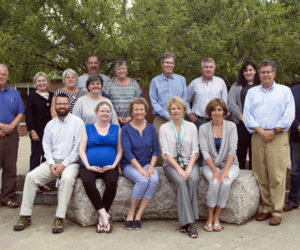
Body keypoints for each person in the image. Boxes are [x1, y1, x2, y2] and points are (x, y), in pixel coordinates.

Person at [14, 94, 84, 233]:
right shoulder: (50, 125)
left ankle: (59, 217)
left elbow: (77, 147)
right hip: (52, 163)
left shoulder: (78, 122)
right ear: (55, 106)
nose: (62, 106)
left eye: (65, 103)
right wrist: (51, 164)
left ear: (69, 105)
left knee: (67, 178)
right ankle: (25, 215)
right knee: (31, 177)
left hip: (71, 163)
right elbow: (46, 146)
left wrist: (63, 165)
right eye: (59, 104)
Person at [243, 60, 295, 226]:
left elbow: (289, 115)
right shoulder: (252, 93)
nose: (265, 75)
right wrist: (260, 131)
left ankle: (277, 210)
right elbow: (247, 115)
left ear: (274, 73)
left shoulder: (284, 91)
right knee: (260, 174)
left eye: (268, 72)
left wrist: (274, 131)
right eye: (263, 72)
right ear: (259, 74)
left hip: (277, 136)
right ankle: (265, 208)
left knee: (277, 175)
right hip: (258, 136)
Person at [79, 101, 122, 233]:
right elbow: (81, 149)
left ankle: (102, 217)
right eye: (102, 111)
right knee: (87, 181)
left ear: (110, 114)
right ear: (96, 113)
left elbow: (120, 150)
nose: (105, 113)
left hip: (110, 166)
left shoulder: (117, 128)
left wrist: (113, 165)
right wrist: (88, 165)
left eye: (107, 111)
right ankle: (104, 215)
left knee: (112, 182)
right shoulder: (87, 128)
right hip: (89, 166)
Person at [159, 97, 199, 239]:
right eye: (173, 108)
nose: (176, 111)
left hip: (189, 162)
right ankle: (191, 222)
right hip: (171, 164)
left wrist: (188, 169)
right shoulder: (164, 128)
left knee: (193, 179)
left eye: (178, 108)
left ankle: (185, 221)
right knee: (181, 181)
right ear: (170, 111)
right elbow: (165, 153)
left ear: (183, 110)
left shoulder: (191, 127)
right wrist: (179, 169)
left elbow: (195, 150)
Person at [199, 98, 240, 232]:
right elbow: (204, 151)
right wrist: (215, 171)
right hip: (210, 164)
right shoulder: (204, 128)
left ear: (224, 112)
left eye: (219, 110)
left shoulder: (232, 126)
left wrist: (225, 171)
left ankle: (217, 216)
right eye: (213, 110)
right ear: (209, 112)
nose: (216, 113)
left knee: (226, 182)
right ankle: (210, 217)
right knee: (215, 182)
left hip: (230, 164)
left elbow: (233, 149)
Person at [122, 98, 159, 230]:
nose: (138, 112)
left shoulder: (150, 128)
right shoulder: (126, 129)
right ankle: (131, 213)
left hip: (147, 163)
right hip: (130, 165)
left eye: (141, 109)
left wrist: (151, 166)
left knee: (154, 179)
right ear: (131, 112)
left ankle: (139, 215)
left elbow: (155, 150)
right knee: (143, 180)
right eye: (136, 109)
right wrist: (140, 170)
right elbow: (127, 153)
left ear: (145, 111)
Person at [150, 52, 187, 165]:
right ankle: (161, 168)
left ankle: (178, 166)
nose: (169, 65)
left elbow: (184, 99)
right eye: (167, 62)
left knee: (179, 142)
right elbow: (153, 101)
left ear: (174, 65)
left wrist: (176, 114)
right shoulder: (155, 81)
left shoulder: (181, 80)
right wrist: (167, 115)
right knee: (159, 143)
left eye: (171, 63)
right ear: (162, 64)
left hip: (178, 117)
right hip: (160, 118)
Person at [0, 64, 24, 208]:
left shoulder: (14, 93)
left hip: (11, 135)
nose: (1, 76)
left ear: (7, 76)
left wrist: (11, 127)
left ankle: (7, 197)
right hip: (3, 129)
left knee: (10, 167)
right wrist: (2, 127)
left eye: (3, 74)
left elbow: (20, 112)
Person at [25, 72, 54, 193]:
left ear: (47, 82)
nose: (41, 83)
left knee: (47, 158)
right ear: (35, 83)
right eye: (39, 81)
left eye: (44, 80)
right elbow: (29, 115)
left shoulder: (53, 95)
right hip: (37, 132)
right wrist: (32, 131)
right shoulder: (31, 96)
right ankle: (33, 183)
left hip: (51, 133)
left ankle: (42, 182)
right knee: (36, 157)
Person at [228, 62, 260, 169]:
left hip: (257, 125)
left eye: (251, 70)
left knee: (255, 152)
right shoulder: (236, 86)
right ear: (243, 72)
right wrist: (242, 118)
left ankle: (254, 176)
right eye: (246, 70)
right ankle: (239, 173)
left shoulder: (261, 85)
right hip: (240, 124)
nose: (248, 72)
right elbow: (231, 103)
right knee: (240, 151)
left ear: (255, 71)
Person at [186, 58, 228, 129]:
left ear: (214, 69)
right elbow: (185, 99)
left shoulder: (221, 82)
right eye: (206, 67)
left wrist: (224, 116)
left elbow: (225, 102)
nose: (208, 69)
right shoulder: (194, 83)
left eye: (211, 67)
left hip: (217, 120)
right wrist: (189, 112)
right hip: (199, 121)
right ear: (202, 69)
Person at [103, 59, 142, 126]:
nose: (121, 71)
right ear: (115, 71)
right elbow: (104, 103)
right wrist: (116, 117)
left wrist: (132, 116)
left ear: (126, 70)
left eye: (123, 68)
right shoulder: (109, 84)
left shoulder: (134, 83)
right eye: (119, 69)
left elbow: (140, 102)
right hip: (113, 121)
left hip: (132, 120)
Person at [283, 84, 300, 212]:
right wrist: (298, 126)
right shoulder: (292, 91)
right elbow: (288, 112)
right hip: (296, 137)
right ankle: (293, 200)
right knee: (295, 170)